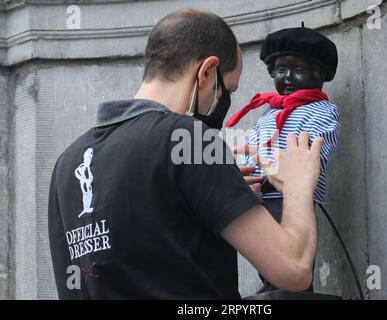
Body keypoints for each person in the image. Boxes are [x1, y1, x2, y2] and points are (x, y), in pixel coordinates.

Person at [48, 8, 323, 299]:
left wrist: (211, 185)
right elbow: (293, 270)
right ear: (207, 71)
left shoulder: (67, 163)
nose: (221, 103)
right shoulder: (191, 141)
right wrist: (297, 187)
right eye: (226, 90)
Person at [225, 27, 340, 293]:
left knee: (291, 250)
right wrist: (239, 171)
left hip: (289, 197)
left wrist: (276, 174)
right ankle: (274, 288)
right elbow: (252, 147)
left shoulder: (321, 111)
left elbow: (314, 153)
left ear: (318, 74)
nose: (287, 76)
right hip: (258, 197)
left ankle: (288, 290)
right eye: (280, 69)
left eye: (296, 69)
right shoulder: (269, 113)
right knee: (264, 252)